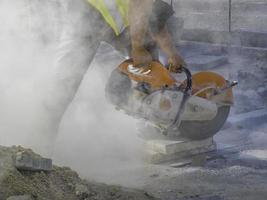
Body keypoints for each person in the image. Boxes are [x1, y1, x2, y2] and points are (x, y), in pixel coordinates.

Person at [40, 0, 185, 152]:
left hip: (118, 16)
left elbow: (156, 19)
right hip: (91, 11)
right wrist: (138, 48)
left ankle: (157, 128)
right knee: (67, 77)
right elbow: (139, 4)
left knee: (152, 68)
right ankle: (40, 141)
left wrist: (172, 54)